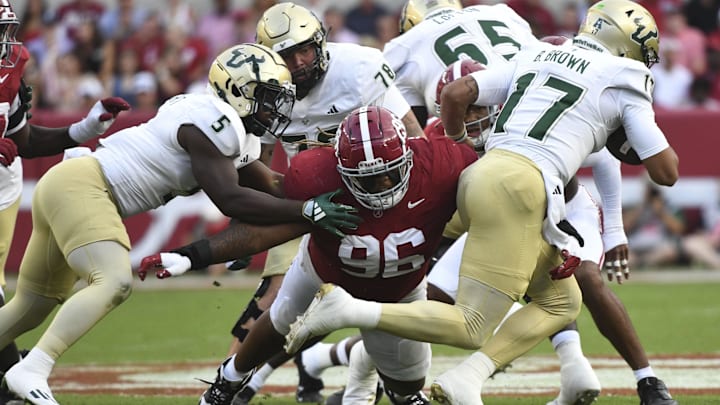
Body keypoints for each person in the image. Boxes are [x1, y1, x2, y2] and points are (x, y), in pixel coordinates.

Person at [283, 2, 679, 405]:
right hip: (520, 188)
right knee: (471, 324)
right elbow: (666, 172)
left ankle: (464, 377)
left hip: (479, 177)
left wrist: (456, 147)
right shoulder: (624, 74)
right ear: (627, 42)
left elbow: (455, 94)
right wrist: (631, 124)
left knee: (562, 300)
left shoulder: (539, 52)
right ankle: (348, 311)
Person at [0, 43, 360, 405]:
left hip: (70, 183)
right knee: (113, 282)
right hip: (86, 187)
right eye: (268, 98)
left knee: (32, 304)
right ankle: (34, 367)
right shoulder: (214, 122)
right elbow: (230, 198)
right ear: (239, 93)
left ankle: (27, 367)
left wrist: (341, 189)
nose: (275, 108)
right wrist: (307, 211)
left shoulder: (222, 122)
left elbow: (272, 185)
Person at [139, 105, 478, 405]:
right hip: (323, 269)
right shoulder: (315, 174)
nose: (381, 185)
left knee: (408, 385)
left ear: (409, 156)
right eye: (367, 178)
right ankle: (227, 382)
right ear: (341, 168)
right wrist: (192, 256)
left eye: (389, 172)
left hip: (400, 288)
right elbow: (265, 230)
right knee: (280, 320)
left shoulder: (444, 164)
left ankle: (397, 393)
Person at [214, 3, 426, 403]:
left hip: (373, 203)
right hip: (305, 205)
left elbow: (413, 139)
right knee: (275, 297)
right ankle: (235, 385)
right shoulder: (265, 84)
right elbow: (255, 158)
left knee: (385, 305)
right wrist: (243, 219)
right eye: (286, 55)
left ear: (321, 43)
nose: (298, 63)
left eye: (304, 51)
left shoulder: (360, 68)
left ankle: (374, 382)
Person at [0, 4, 131, 404]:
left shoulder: (11, 66)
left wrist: (81, 130)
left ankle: (8, 379)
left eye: (6, 31)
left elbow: (23, 142)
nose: (6, 42)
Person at [385, 0, 538, 126]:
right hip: (537, 92)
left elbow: (413, 126)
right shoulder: (501, 11)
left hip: (479, 116)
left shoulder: (404, 45)